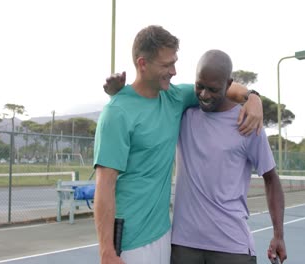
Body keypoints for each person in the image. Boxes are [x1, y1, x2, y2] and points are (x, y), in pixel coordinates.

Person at [94, 25, 264, 264]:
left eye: (174, 62)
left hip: (165, 235)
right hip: (130, 242)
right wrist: (107, 252)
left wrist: (253, 97)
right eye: (166, 65)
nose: (173, 71)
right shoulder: (116, 112)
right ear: (143, 64)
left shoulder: (175, 97)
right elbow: (104, 184)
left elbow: (222, 87)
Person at [171, 49, 286, 264]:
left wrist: (278, 235)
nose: (204, 94)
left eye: (213, 89)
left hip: (231, 246)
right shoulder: (184, 114)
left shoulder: (248, 122)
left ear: (229, 84)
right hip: (183, 245)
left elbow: (271, 178)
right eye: (200, 86)